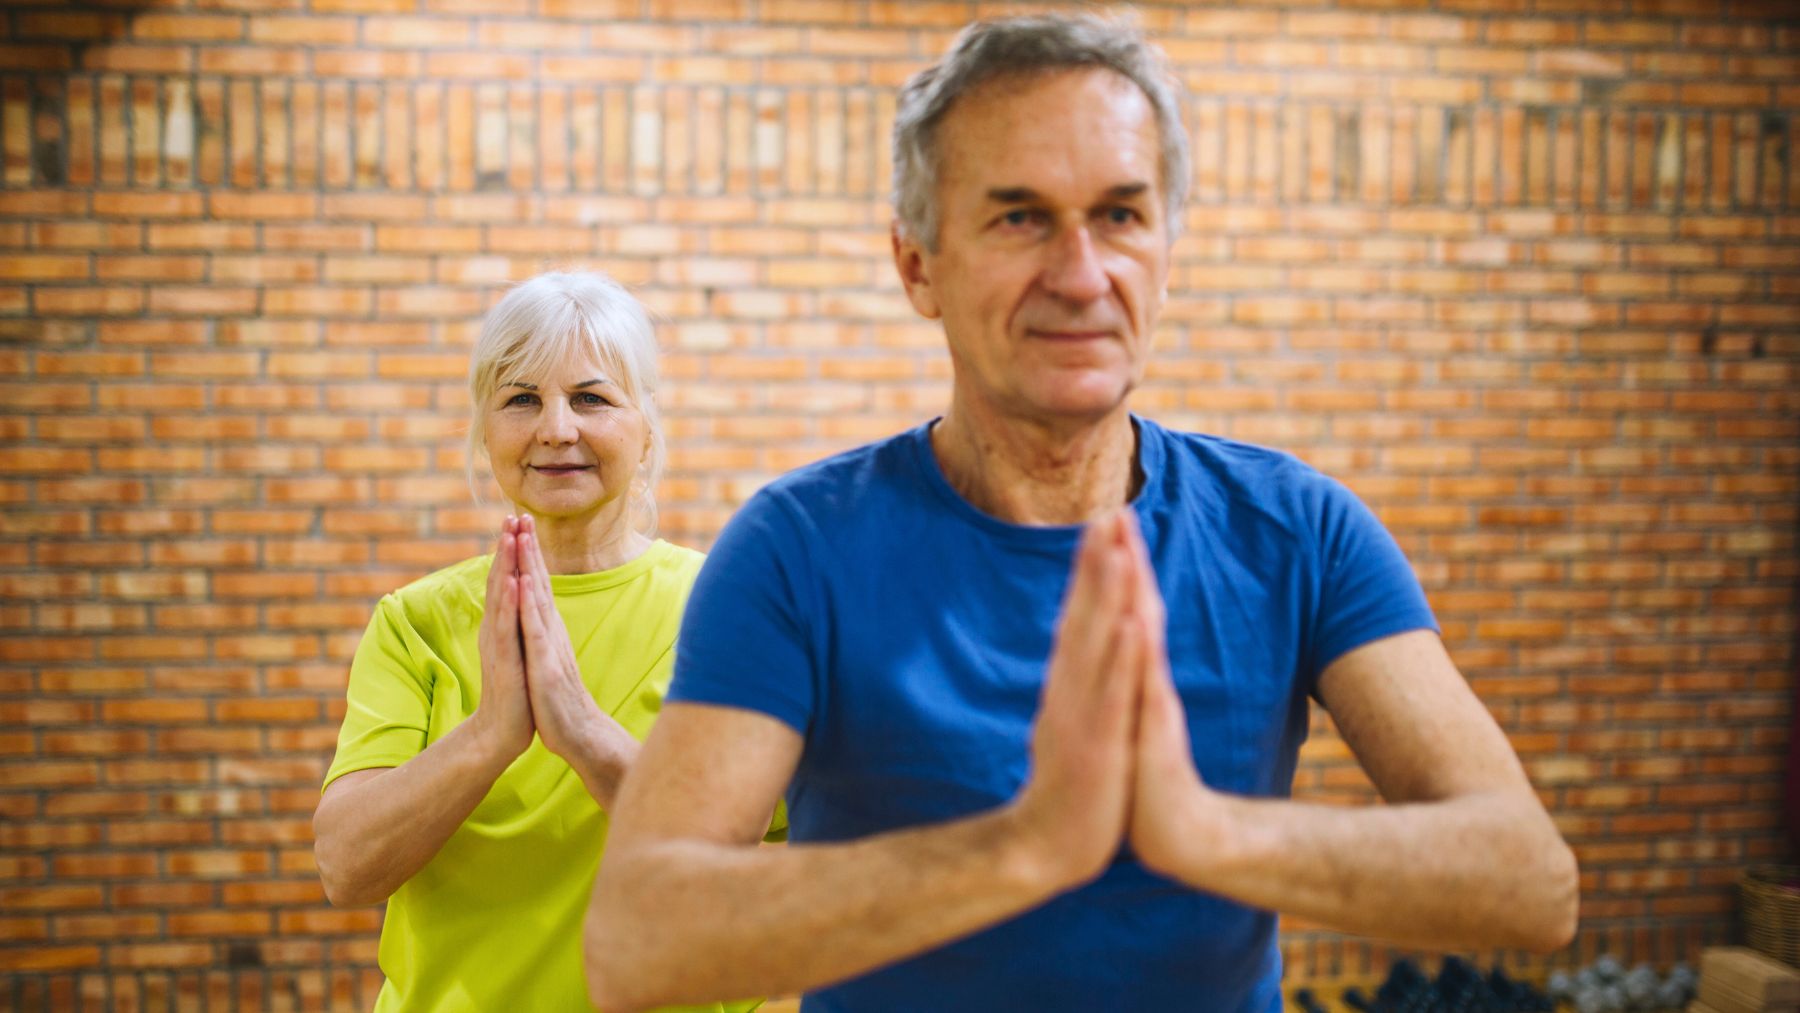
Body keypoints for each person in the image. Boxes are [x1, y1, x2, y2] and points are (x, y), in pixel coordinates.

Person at [585, 14, 1578, 1013]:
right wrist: (1025, 844)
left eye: (1121, 215)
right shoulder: (796, 550)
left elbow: (1530, 879)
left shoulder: (1298, 532)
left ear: (1166, 253)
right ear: (918, 264)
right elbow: (638, 941)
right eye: (1020, 217)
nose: (1081, 273)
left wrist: (1205, 832)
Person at [313, 271, 774, 1012]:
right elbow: (345, 867)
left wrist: (582, 731)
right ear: (485, 430)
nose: (556, 428)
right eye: (521, 399)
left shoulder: (729, 611)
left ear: (646, 428)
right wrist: (491, 734)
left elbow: (763, 868)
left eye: (591, 398)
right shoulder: (415, 622)